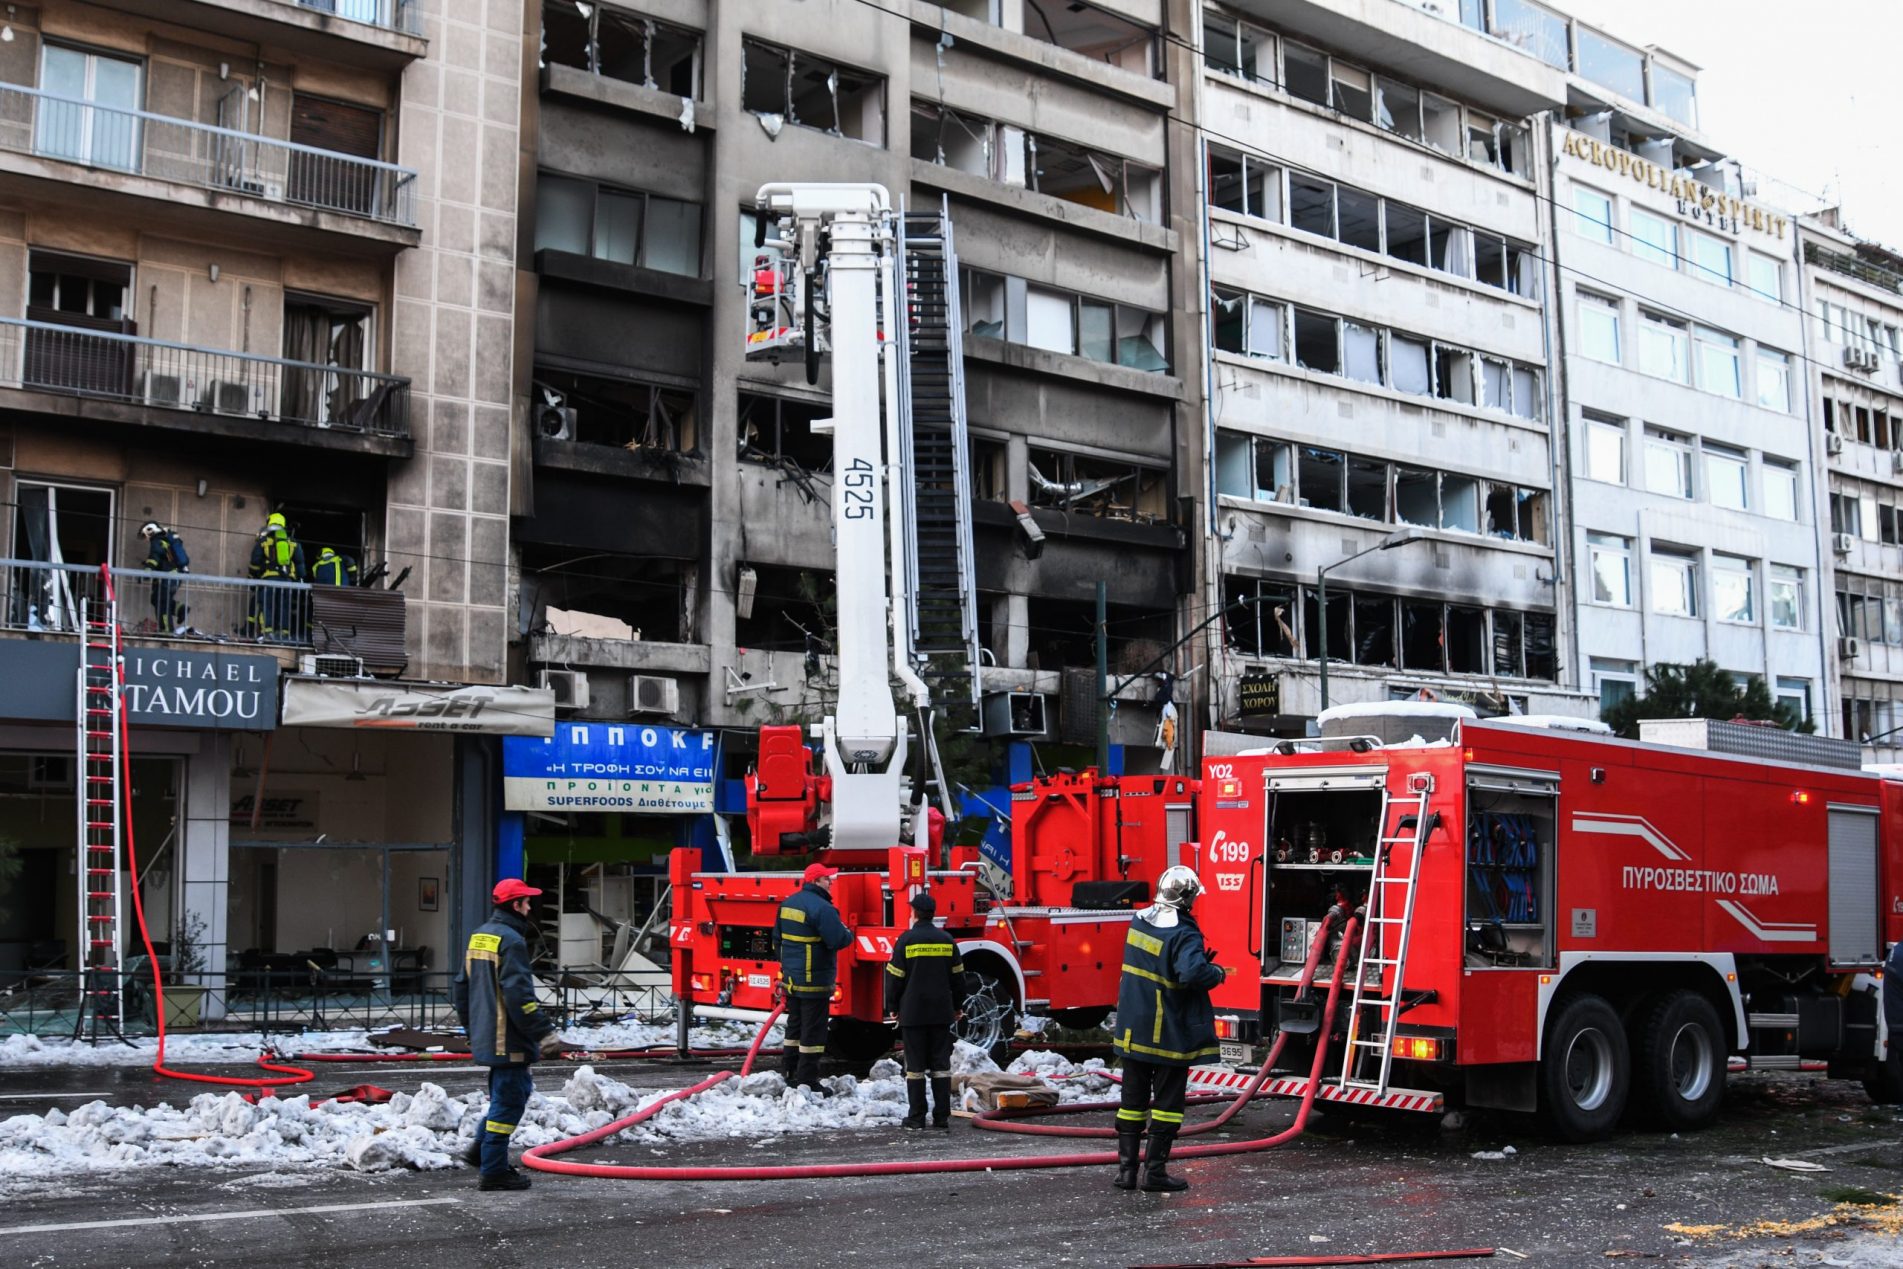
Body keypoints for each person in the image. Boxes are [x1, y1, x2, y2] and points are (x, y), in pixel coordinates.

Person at [1111, 864, 1228, 1194]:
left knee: (1131, 1102)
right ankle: (1156, 1172)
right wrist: (1215, 972)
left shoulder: (1139, 921)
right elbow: (1190, 973)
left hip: (1133, 1028)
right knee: (1167, 1106)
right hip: (1168, 1033)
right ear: (1188, 898)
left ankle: (1126, 1172)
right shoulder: (1184, 932)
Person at [451, 877, 564, 1192]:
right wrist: (544, 1034)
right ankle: (494, 1170)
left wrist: (472, 1029)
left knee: (502, 1097)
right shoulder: (511, 941)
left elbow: (461, 988)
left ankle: (480, 1150)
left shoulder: (480, 936)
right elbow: (520, 997)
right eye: (527, 902)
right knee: (510, 1101)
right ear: (516, 905)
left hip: (488, 1035)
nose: (530, 907)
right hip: (509, 1039)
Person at [883, 890, 966, 1129]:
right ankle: (941, 1117)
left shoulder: (906, 940)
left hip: (913, 1013)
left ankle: (917, 1117)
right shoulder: (947, 940)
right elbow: (958, 978)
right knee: (941, 1066)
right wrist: (957, 1006)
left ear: (915, 913)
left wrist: (893, 1006)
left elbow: (895, 977)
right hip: (941, 1013)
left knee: (916, 1068)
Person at [775, 861, 852, 1091]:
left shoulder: (788, 904)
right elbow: (839, 940)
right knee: (813, 1033)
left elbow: (777, 941)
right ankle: (807, 1079)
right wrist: (847, 931)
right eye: (827, 879)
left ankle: (789, 1072)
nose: (830, 882)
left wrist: (789, 969)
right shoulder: (823, 908)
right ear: (816, 881)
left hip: (793, 980)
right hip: (815, 982)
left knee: (794, 1028)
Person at [247, 512, 305, 640]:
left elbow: (255, 562)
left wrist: (251, 578)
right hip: (287, 581)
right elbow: (300, 564)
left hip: (269, 580)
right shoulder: (293, 542)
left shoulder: (264, 542)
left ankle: (267, 632)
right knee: (284, 606)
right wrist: (301, 580)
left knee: (266, 605)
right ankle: (284, 633)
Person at [139, 522, 189, 634]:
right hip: (175, 576)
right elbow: (163, 559)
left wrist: (147, 571)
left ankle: (166, 630)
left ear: (150, 531)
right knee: (156, 599)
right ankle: (180, 609)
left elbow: (154, 557)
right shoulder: (165, 540)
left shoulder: (156, 541)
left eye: (145, 535)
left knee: (162, 603)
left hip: (168, 578)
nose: (146, 539)